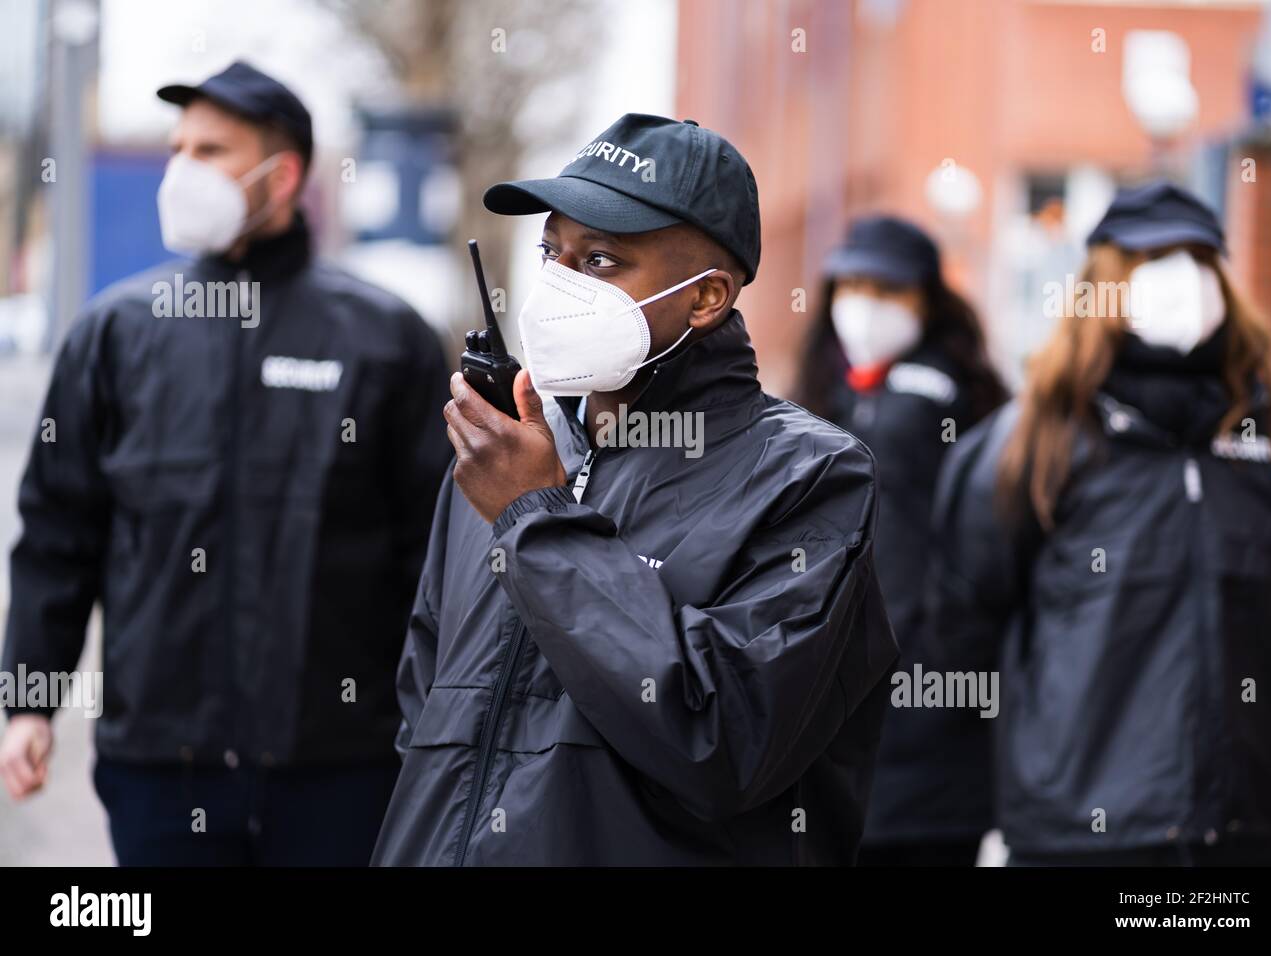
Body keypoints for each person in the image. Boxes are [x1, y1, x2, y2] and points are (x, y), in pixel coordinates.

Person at [369, 113, 898, 866]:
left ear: (707, 296)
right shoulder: (510, 450)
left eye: (603, 261)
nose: (560, 285)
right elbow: (425, 708)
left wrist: (536, 517)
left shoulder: (807, 477)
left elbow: (726, 739)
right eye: (554, 253)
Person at [0, 61, 452, 866]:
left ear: (280, 176)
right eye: (179, 147)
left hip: (344, 768)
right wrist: (30, 701)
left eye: (210, 149)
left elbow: (436, 558)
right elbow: (58, 533)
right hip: (161, 769)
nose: (182, 169)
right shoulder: (117, 335)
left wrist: (443, 729)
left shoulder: (385, 340)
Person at [926, 181, 1271, 865]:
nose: (1179, 275)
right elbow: (964, 623)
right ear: (1106, 280)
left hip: (1242, 832)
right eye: (1152, 255)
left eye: (1195, 254)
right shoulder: (1034, 440)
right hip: (1077, 835)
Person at [795, 215, 1006, 866]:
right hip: (834, 728)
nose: (865, 308)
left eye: (888, 291)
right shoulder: (817, 397)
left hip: (928, 729)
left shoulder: (952, 404)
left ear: (926, 300)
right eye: (852, 287)